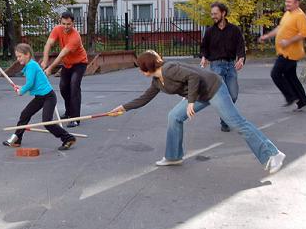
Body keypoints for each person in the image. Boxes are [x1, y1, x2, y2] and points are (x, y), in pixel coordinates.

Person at [110, 50, 285, 174]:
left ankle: (273, 154)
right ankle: (173, 156)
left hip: (213, 88)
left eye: (140, 69)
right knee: (174, 116)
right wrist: (123, 108)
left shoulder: (169, 69)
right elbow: (145, 97)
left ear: (146, 67)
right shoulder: (157, 81)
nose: (140, 72)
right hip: (199, 94)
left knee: (237, 123)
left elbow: (193, 77)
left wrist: (191, 101)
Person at [3, 43, 77, 150]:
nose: (18, 59)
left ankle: (68, 138)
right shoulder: (30, 66)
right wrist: (21, 87)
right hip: (40, 97)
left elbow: (30, 84)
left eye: (19, 56)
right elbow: (32, 84)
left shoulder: (31, 66)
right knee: (25, 114)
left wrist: (21, 91)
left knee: (47, 122)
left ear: (27, 54)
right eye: (17, 56)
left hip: (48, 97)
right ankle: (17, 139)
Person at [259, 0, 306, 110]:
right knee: (291, 77)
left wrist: (288, 42)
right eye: (286, 2)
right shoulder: (288, 13)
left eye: (289, 2)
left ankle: (290, 97)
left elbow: (304, 33)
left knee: (275, 74)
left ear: (297, 3)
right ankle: (303, 100)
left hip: (290, 53)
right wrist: (267, 36)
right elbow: (280, 28)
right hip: (283, 51)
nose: (287, 4)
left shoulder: (300, 16)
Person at [200, 2, 246, 132]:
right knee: (222, 95)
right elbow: (204, 47)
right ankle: (225, 121)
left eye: (215, 13)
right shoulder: (209, 31)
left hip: (230, 66)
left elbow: (240, 46)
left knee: (233, 95)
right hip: (216, 66)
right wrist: (204, 57)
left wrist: (241, 58)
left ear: (223, 13)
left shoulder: (234, 29)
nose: (213, 16)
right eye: (212, 14)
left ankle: (224, 117)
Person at [41, 11, 88, 127]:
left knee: (74, 87)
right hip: (67, 64)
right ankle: (69, 112)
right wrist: (44, 62)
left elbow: (62, 54)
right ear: (60, 22)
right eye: (64, 24)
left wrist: (50, 68)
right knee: (63, 87)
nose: (66, 27)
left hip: (79, 63)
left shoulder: (75, 36)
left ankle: (76, 118)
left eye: (69, 24)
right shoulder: (57, 29)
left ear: (73, 23)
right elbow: (48, 44)